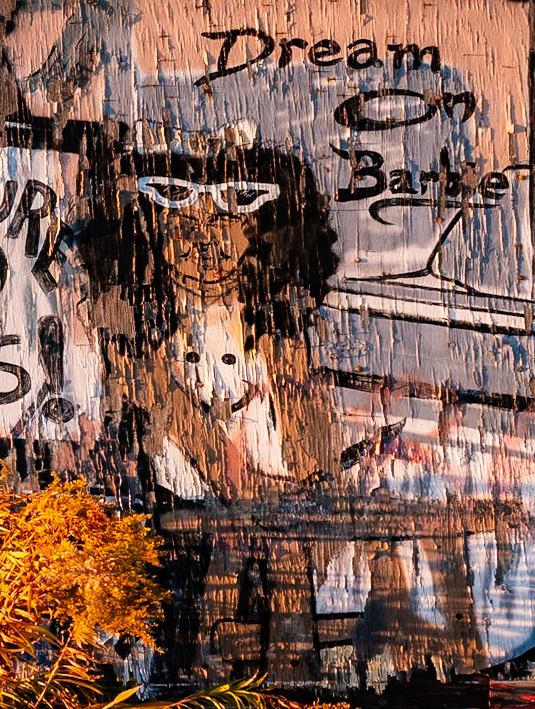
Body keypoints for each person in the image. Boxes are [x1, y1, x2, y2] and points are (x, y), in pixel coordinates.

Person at [79, 139, 340, 502]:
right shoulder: (139, 326)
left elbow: (310, 436)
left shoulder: (274, 323)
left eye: (224, 223)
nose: (204, 245)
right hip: (176, 508)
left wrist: (314, 483)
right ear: (151, 230)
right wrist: (246, 490)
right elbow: (166, 406)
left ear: (260, 231)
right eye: (184, 224)